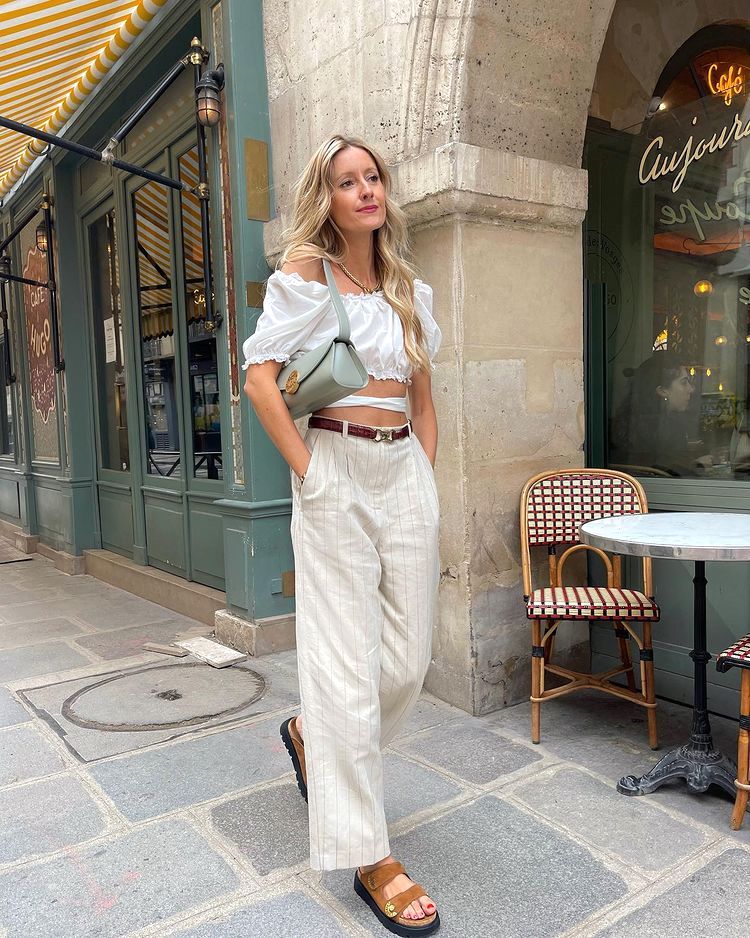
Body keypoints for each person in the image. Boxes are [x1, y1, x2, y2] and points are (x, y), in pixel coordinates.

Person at [242, 134, 442, 935]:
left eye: (373, 176)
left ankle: (308, 733)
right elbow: (260, 378)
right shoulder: (305, 274)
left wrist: (421, 474)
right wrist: (310, 472)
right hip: (334, 467)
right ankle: (371, 855)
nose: (364, 190)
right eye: (345, 181)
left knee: (409, 656)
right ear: (324, 198)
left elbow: (423, 397)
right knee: (345, 668)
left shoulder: (407, 288)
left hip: (404, 477)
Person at [611, 350, 711, 476]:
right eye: (684, 382)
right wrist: (698, 466)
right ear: (662, 391)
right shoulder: (662, 427)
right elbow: (667, 475)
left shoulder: (633, 421)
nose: (691, 389)